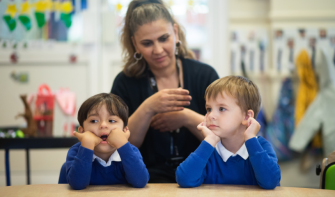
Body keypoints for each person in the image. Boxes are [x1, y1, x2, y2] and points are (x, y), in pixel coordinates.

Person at [111, 0, 219, 183]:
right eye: (147, 43)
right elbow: (118, 145)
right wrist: (148, 107)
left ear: (175, 33)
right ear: (135, 44)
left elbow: (226, 135)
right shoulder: (124, 82)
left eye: (163, 38)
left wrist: (186, 117)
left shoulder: (204, 75)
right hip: (145, 180)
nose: (158, 50)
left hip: (203, 175)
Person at [176, 76, 281, 189]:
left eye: (221, 109)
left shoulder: (261, 146)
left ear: (246, 116)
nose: (211, 115)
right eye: (209, 109)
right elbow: (184, 179)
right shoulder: (209, 149)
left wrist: (251, 139)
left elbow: (270, 182)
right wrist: (209, 141)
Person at [62, 93, 149, 190]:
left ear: (124, 130)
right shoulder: (76, 152)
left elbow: (140, 182)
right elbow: (77, 185)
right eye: (94, 121)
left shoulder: (131, 151)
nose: (103, 125)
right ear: (82, 131)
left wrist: (123, 144)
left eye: (111, 121)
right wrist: (86, 146)